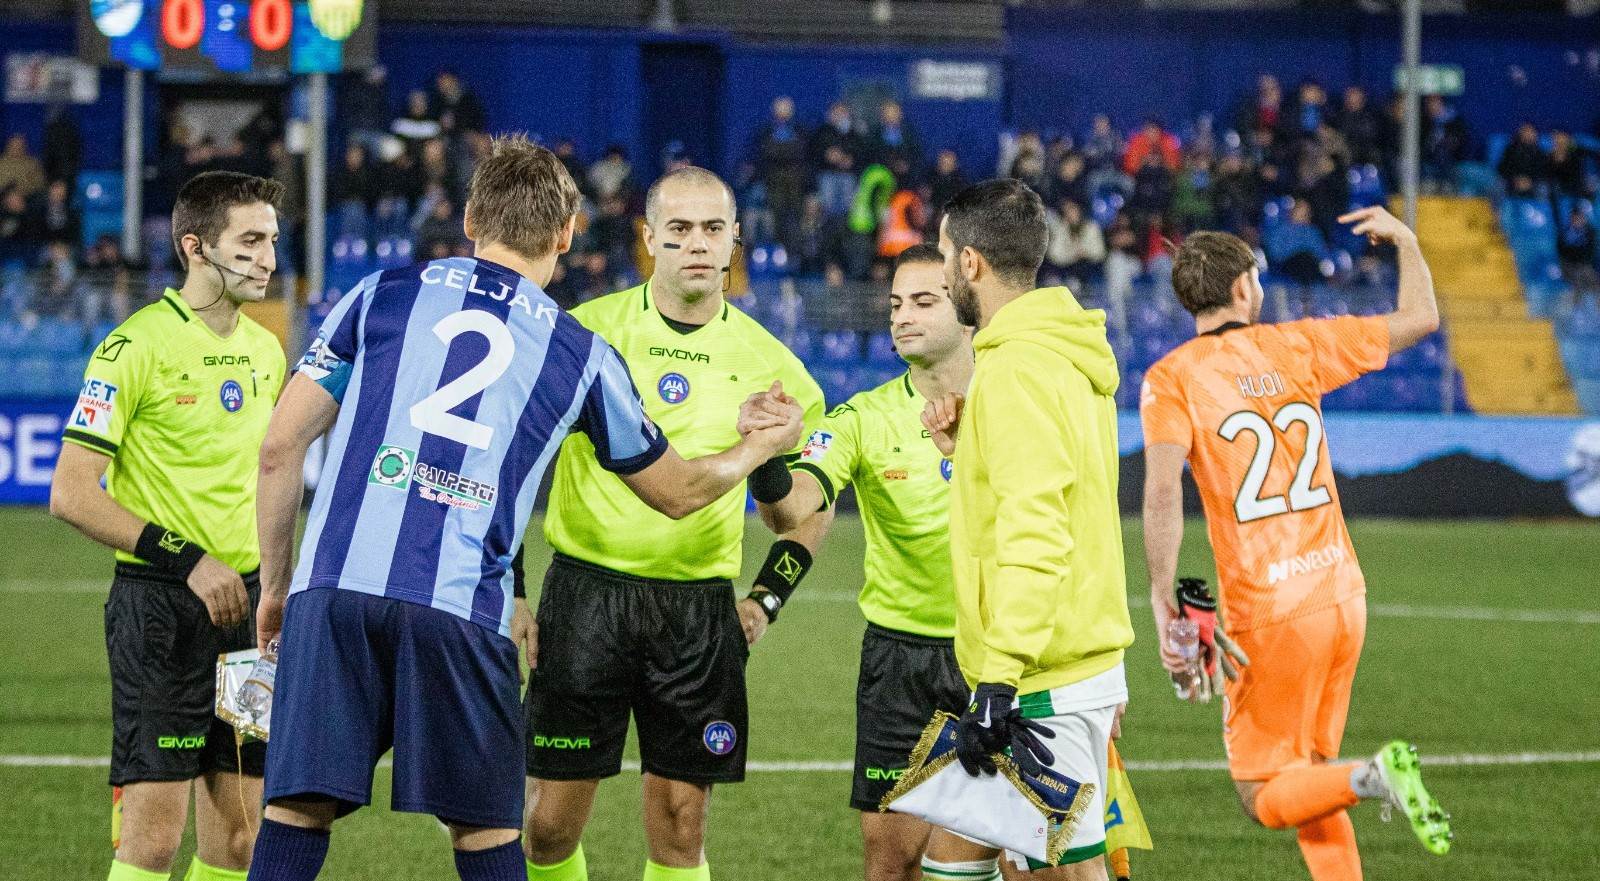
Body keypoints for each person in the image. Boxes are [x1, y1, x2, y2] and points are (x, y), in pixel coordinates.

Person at [244, 136, 805, 881]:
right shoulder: (580, 352)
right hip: (457, 603)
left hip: (334, 590)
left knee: (295, 813)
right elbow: (678, 493)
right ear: (569, 234)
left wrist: (277, 587)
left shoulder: (379, 292)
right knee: (483, 829)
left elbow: (280, 449)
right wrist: (754, 449)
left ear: (472, 217)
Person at [521, 165, 827, 881]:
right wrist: (510, 591)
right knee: (548, 826)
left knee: (681, 824)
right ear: (649, 238)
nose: (697, 243)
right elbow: (511, 469)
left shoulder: (774, 366)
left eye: (713, 229)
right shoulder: (586, 335)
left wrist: (764, 599)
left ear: (734, 242)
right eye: (680, 229)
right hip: (587, 599)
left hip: (697, 613)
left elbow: (801, 517)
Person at [1139, 206, 1452, 881]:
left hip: (1268, 612)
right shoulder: (1299, 345)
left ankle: (1375, 775)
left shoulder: (1171, 378)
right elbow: (1421, 318)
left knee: (1263, 794)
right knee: (1313, 779)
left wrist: (1163, 598)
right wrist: (1406, 242)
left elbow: (1163, 493)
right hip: (1341, 593)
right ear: (1245, 287)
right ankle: (1362, 782)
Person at [48, 170, 289, 881]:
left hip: (247, 615)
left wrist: (275, 581)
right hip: (160, 610)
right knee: (153, 841)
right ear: (195, 247)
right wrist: (186, 559)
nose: (268, 256)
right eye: (249, 240)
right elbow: (70, 492)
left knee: (242, 838)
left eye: (273, 238)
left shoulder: (267, 350)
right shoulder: (132, 348)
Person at [917, 179, 1132, 881]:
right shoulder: (1060, 353)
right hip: (1057, 661)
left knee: (1066, 874)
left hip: (1038, 678)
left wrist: (999, 680)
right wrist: (966, 451)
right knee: (951, 863)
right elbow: (1060, 491)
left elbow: (1037, 530)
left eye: (945, 255)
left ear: (971, 263)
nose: (943, 270)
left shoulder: (1015, 371)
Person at [753, 244, 972, 881]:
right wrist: (768, 456)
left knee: (1014, 859)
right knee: (890, 861)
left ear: (966, 309)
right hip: (901, 663)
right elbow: (788, 514)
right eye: (896, 304)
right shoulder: (861, 417)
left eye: (924, 301)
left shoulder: (1017, 403)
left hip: (1002, 653)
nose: (903, 316)